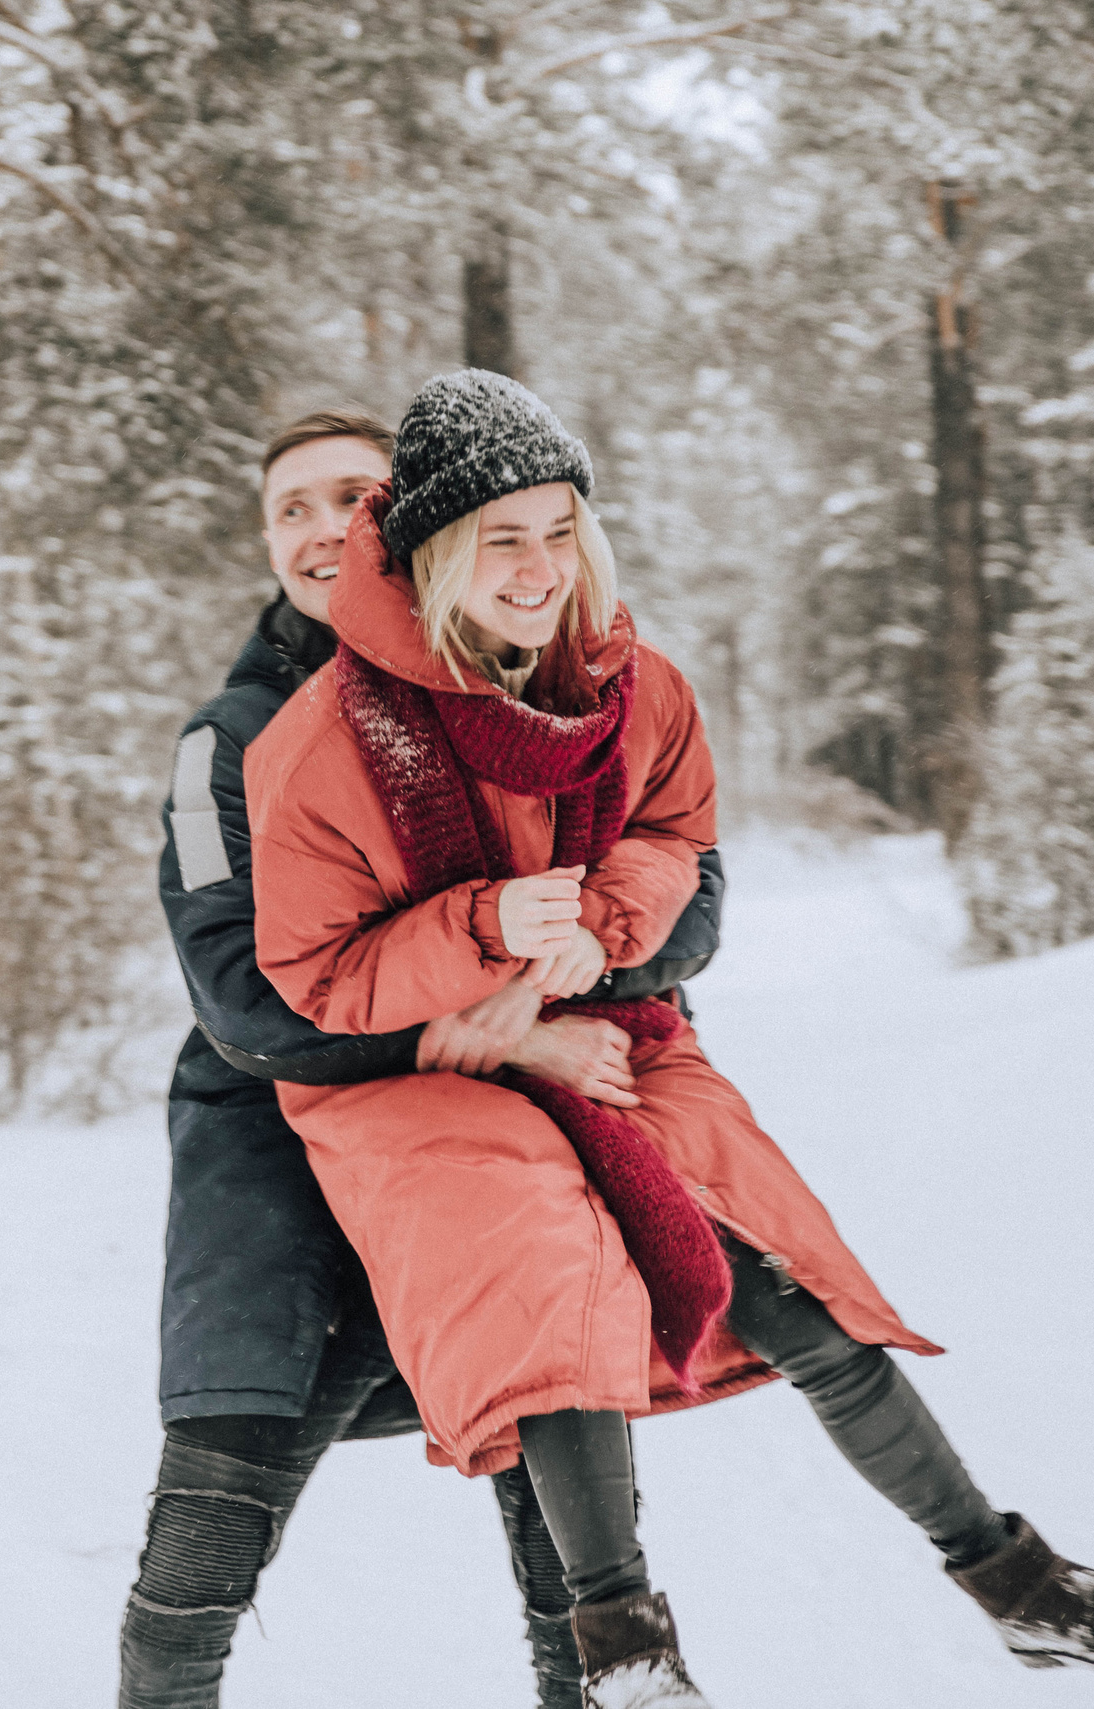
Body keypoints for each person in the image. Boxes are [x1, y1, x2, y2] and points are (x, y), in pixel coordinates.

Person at [242, 370, 1094, 1708]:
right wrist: (487, 923)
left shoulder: (638, 687)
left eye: (558, 527)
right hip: (416, 1074)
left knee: (786, 1281)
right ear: (433, 551)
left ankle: (1010, 1579)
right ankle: (625, 1647)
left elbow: (674, 838)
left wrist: (601, 928)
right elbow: (312, 974)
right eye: (499, 537)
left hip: (607, 1022)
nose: (537, 565)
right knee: (537, 1278)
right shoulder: (318, 744)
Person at [121, 408, 725, 1709]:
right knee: (202, 1550)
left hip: (496, 1149)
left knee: (576, 1569)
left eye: (351, 496)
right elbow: (237, 997)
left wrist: (571, 976)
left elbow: (694, 901)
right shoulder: (222, 743)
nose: (319, 529)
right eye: (288, 508)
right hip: (273, 1167)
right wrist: (475, 1013)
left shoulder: (536, 682)